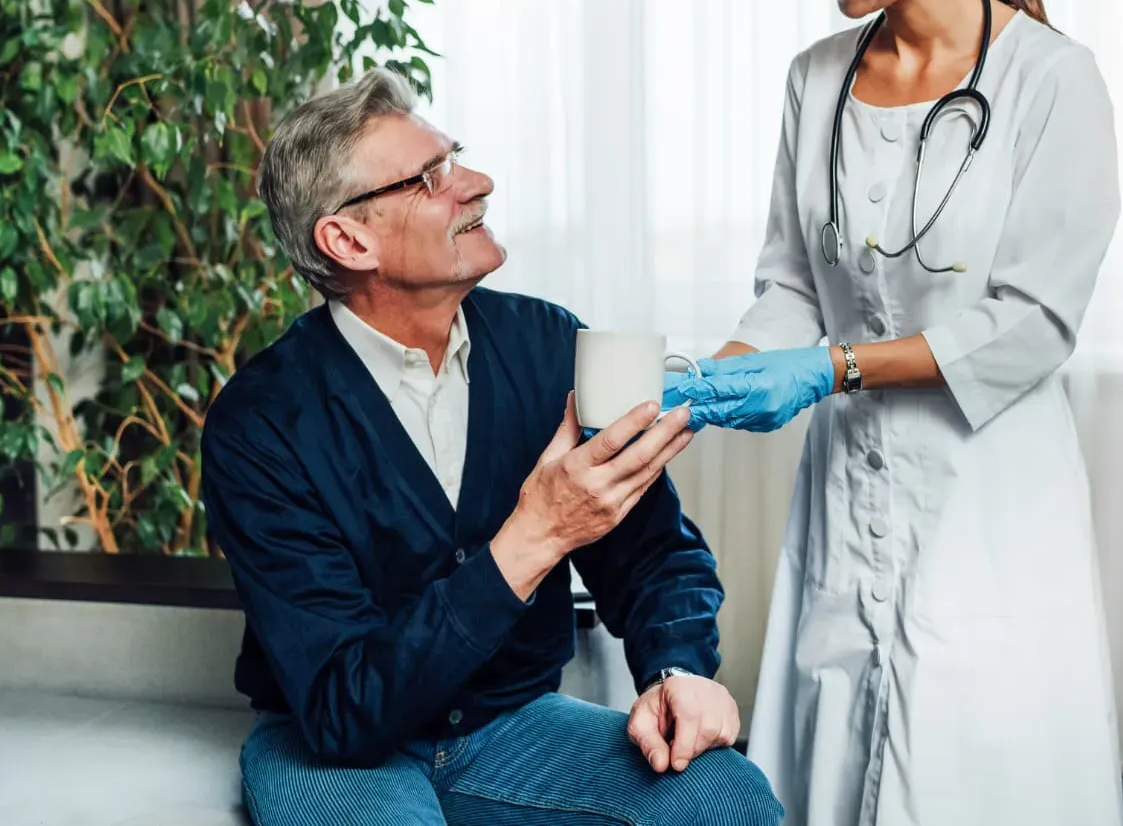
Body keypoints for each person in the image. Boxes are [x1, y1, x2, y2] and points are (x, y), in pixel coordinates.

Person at [667, 0, 1123, 823]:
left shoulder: (1050, 82)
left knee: (973, 770)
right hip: (847, 496)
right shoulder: (815, 77)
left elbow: (1031, 323)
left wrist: (830, 368)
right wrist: (688, 387)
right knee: (835, 756)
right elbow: (789, 286)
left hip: (988, 495)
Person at [201, 68, 783, 826]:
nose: (477, 183)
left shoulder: (547, 345)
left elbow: (651, 552)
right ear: (348, 238)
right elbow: (345, 711)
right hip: (342, 751)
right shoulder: (261, 422)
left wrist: (679, 668)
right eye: (429, 176)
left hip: (510, 723)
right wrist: (532, 536)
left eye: (458, 158)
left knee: (727, 799)